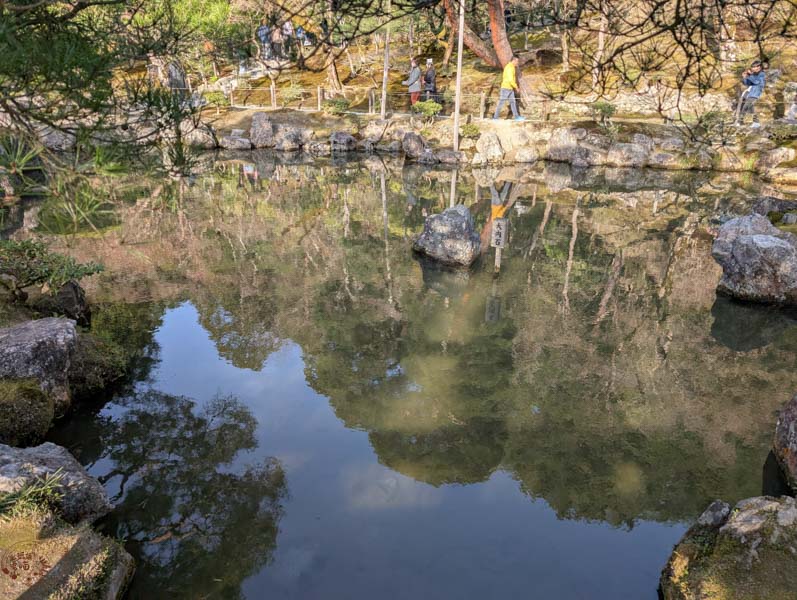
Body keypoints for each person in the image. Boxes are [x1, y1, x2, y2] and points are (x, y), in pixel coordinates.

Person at [493, 56, 525, 121]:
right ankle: (495, 118)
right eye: (517, 61)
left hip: (510, 88)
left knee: (513, 102)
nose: (517, 63)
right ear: (514, 61)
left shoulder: (512, 67)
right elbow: (510, 80)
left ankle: (516, 117)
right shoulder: (509, 68)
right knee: (501, 103)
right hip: (506, 88)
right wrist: (516, 87)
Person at [736, 59, 766, 128]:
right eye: (752, 67)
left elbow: (756, 82)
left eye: (754, 67)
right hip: (751, 93)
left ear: (759, 67)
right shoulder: (754, 75)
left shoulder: (761, 74)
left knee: (745, 107)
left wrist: (750, 75)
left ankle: (740, 122)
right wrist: (745, 77)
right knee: (750, 108)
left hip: (755, 94)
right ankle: (756, 123)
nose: (752, 69)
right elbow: (747, 83)